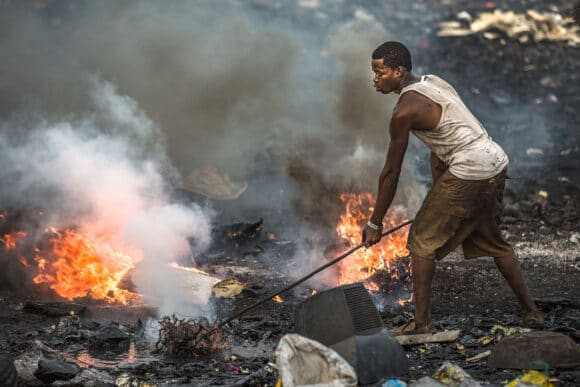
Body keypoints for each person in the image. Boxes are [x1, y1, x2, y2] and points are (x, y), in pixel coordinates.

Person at [361, 41, 544, 333]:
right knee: (493, 240)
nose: (375, 79)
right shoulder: (433, 82)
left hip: (470, 169)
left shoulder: (403, 112)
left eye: (380, 72)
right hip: (494, 159)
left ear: (399, 71)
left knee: (421, 241)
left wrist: (375, 222)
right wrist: (440, 193)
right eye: (374, 72)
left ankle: (422, 325)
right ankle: (531, 312)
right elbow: (441, 147)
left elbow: (391, 172)